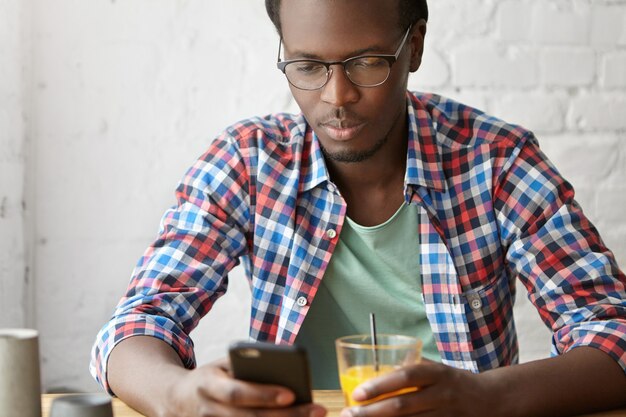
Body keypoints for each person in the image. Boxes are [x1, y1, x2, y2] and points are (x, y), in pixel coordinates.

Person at [90, 1, 626, 416]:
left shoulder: (496, 163)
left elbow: (613, 332)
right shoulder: (248, 162)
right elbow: (137, 323)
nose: (337, 95)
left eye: (367, 62)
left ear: (413, 47)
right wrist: (179, 394)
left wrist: (482, 399)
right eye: (306, 65)